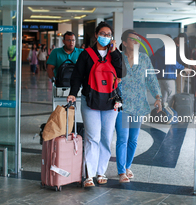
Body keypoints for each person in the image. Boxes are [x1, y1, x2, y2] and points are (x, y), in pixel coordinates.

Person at [67, 22, 126, 188]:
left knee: (106, 138)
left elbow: (122, 72)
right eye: (102, 33)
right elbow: (77, 76)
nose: (105, 37)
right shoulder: (86, 54)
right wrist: (73, 92)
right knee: (93, 138)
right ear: (95, 35)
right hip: (89, 100)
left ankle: (101, 172)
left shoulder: (115, 54)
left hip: (111, 101)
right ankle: (89, 175)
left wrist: (114, 52)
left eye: (108, 34)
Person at [116, 30, 162, 183]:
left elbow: (151, 79)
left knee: (133, 139)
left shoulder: (143, 59)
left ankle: (128, 166)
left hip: (138, 105)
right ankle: (121, 171)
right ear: (124, 43)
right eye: (133, 40)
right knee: (122, 138)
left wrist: (157, 97)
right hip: (121, 104)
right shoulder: (117, 58)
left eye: (138, 40)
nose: (137, 42)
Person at [150, 34, 190, 107]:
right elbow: (173, 62)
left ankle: (163, 111)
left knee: (164, 95)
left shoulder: (158, 51)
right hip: (169, 77)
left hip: (160, 77)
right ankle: (169, 112)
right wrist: (183, 68)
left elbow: (151, 60)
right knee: (171, 96)